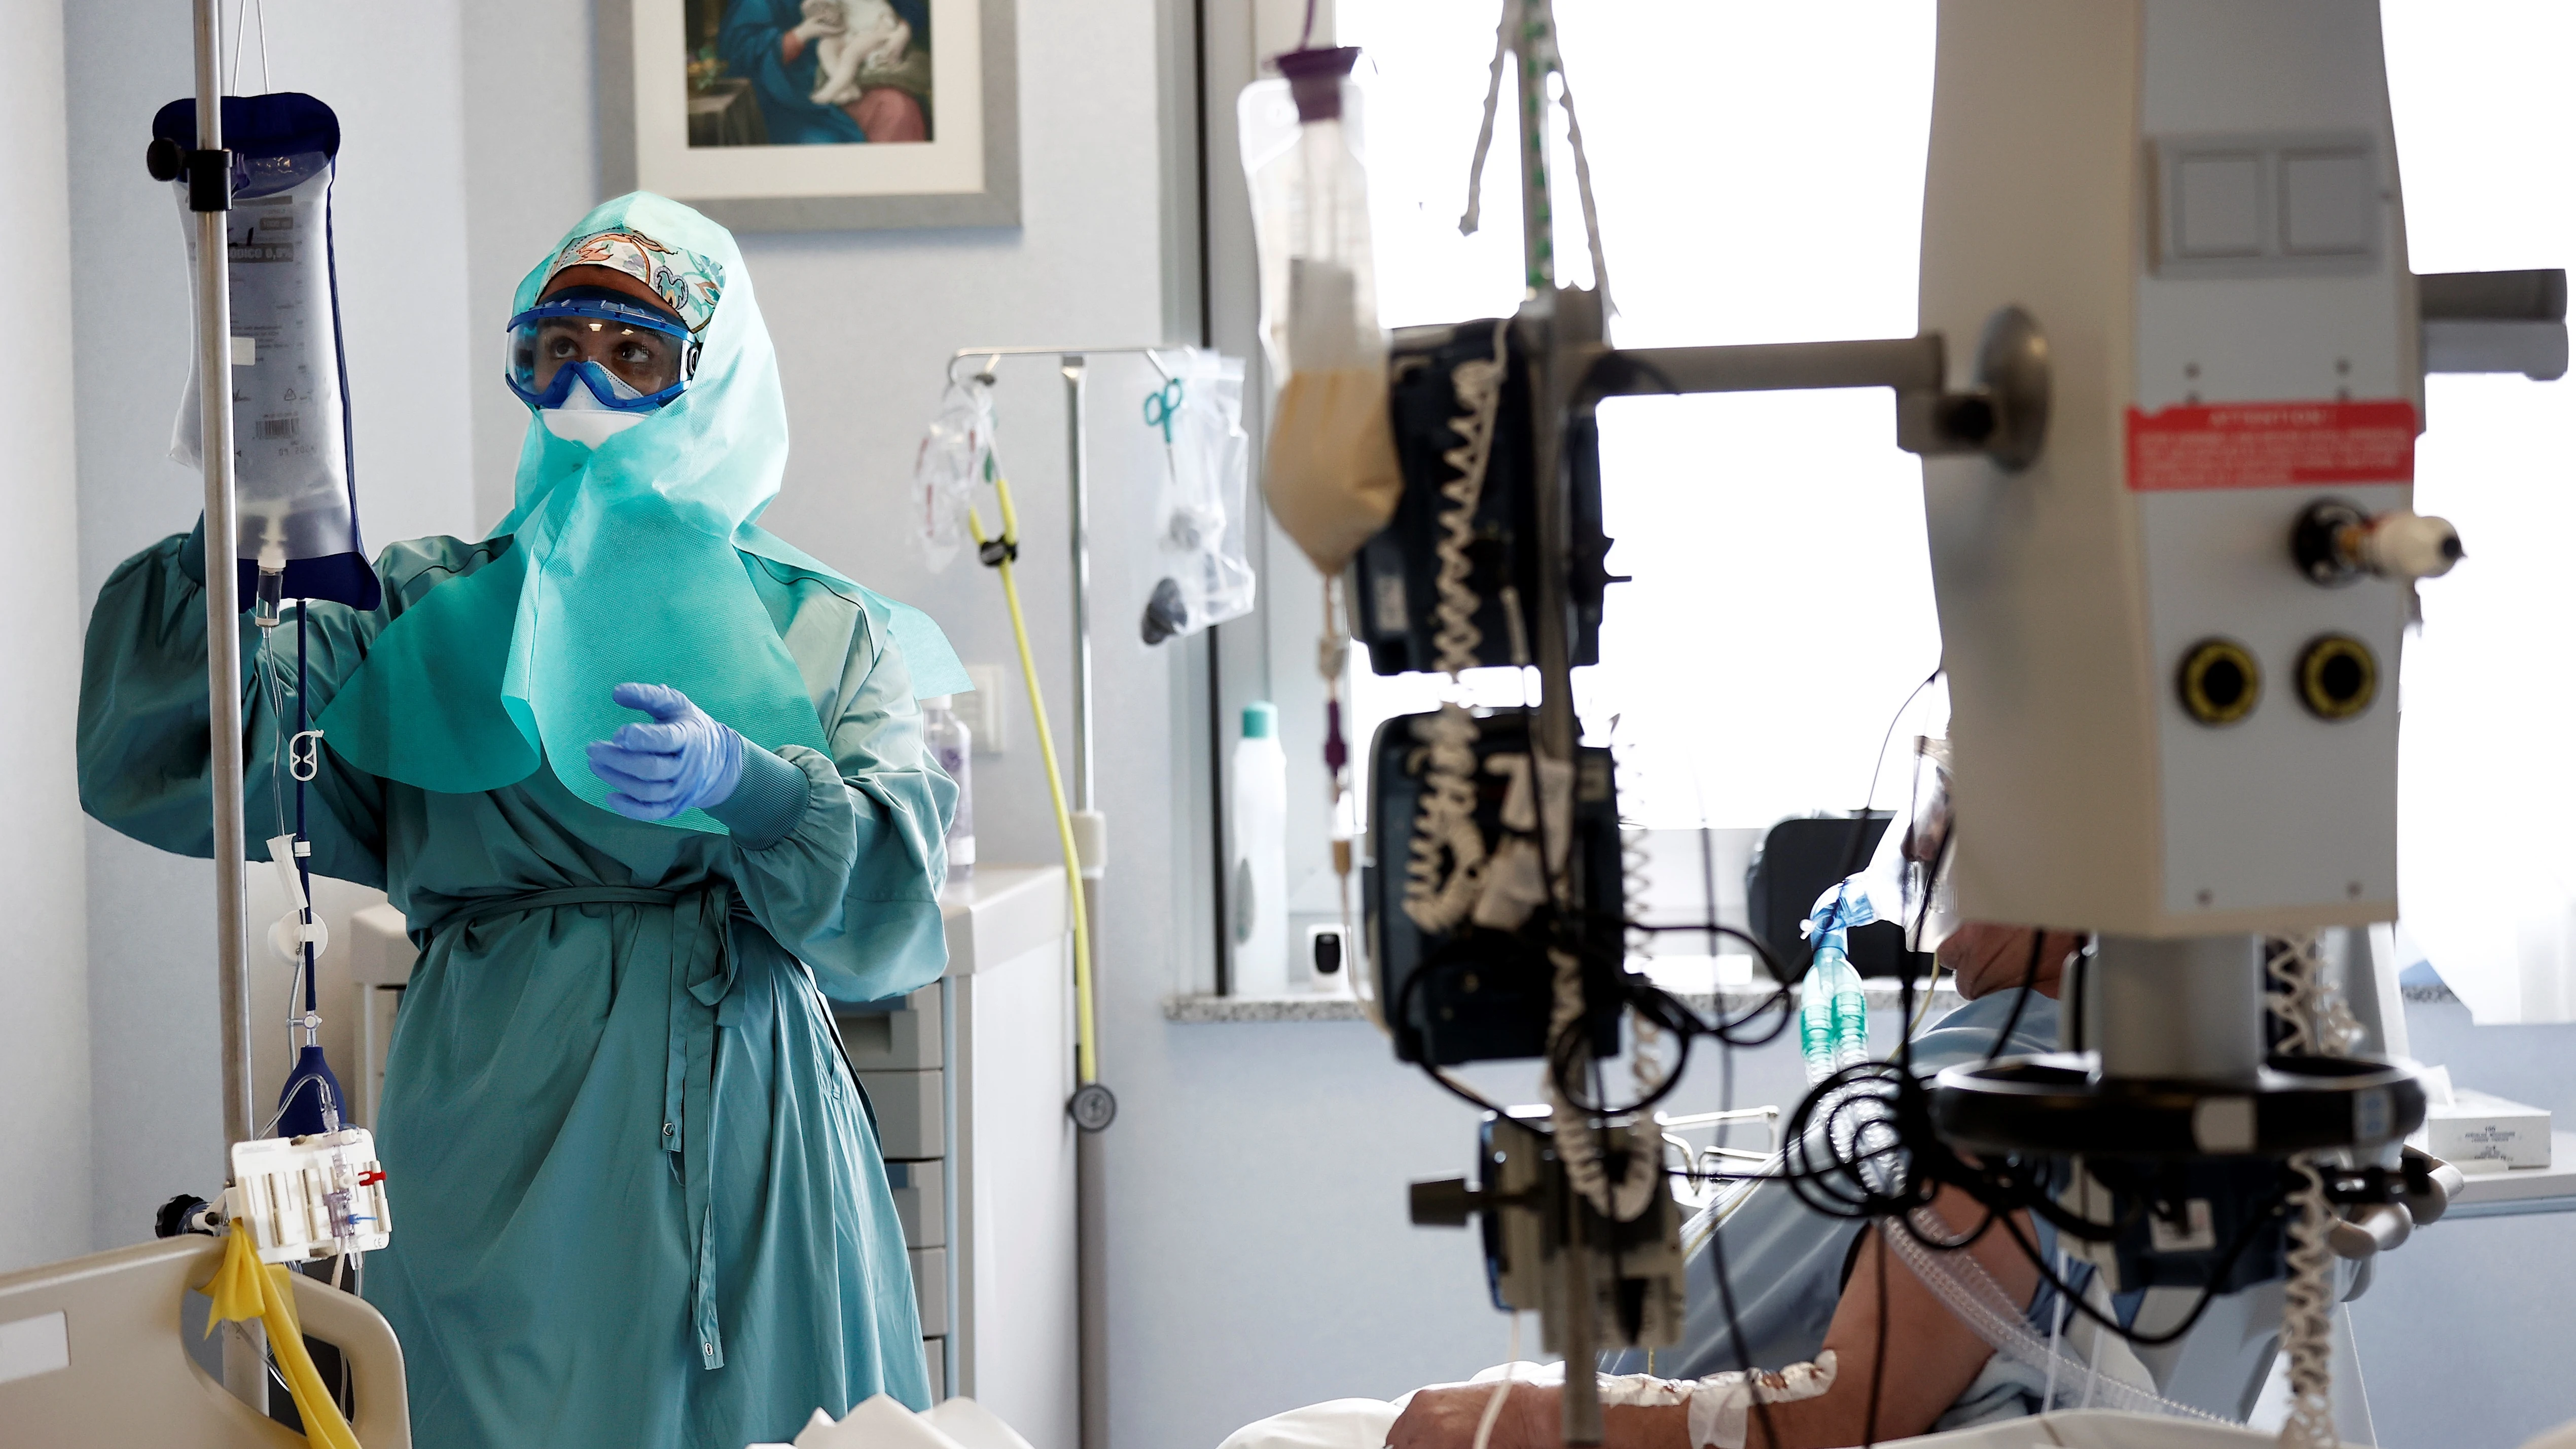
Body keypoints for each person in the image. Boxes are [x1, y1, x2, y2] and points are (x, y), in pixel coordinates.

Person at [80, 192, 963, 1448]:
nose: (585, 381)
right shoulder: (432, 613)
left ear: (715, 379)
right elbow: (187, 744)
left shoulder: (821, 633)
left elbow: (897, 912)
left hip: (746, 1153)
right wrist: (249, 520)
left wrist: (758, 790)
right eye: (556, 347)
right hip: (493, 1139)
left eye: (634, 351)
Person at [1375, 924, 2097, 1449]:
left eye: (1957, 811)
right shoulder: (1974, 1059)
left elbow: (1847, 1406)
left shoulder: (2011, 1112)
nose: (1922, 845)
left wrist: (1540, 1419)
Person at [720, 0, 932, 145]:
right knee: (822, 144)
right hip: (787, 94)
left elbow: (905, 8)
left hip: (856, 72)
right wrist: (800, 35)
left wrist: (904, 28)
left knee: (898, 111)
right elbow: (740, 52)